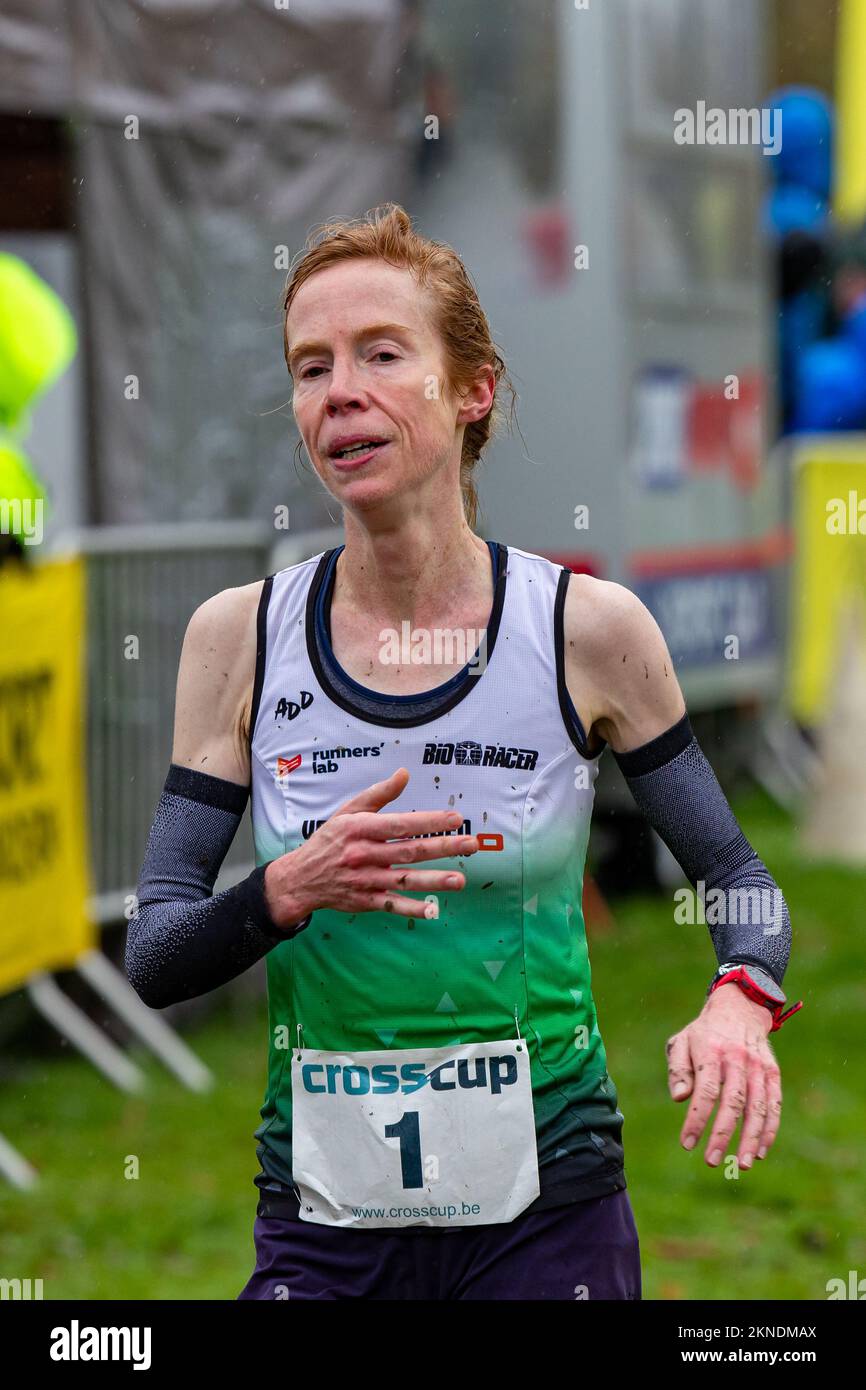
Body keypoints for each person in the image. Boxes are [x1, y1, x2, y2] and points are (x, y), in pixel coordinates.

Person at [127, 203, 801, 1301]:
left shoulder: (585, 630)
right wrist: (284, 890)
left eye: (381, 354)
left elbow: (735, 874)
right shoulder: (235, 639)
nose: (337, 390)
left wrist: (741, 994)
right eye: (309, 366)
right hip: (323, 1220)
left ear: (471, 387)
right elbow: (155, 953)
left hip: (548, 1215)